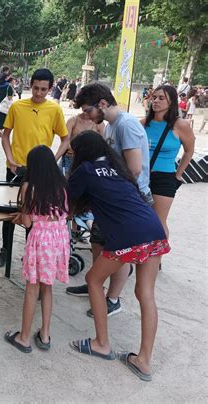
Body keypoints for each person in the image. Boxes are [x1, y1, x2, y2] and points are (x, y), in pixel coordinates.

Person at [68, 131, 170, 382]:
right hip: (153, 227)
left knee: (93, 279)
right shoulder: (118, 167)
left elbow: (65, 202)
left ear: (83, 153)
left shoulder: (86, 170)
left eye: (74, 152)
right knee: (145, 293)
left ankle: (101, 343)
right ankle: (144, 360)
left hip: (128, 235)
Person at [66, 82, 153, 318]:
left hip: (128, 200)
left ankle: (112, 299)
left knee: (120, 249)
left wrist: (100, 183)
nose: (86, 115)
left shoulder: (126, 125)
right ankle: (97, 283)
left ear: (102, 104)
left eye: (88, 110)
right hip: (110, 199)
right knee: (98, 241)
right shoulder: (111, 126)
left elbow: (133, 170)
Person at [0, 68, 69, 268]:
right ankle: (5, 250)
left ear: (50, 88)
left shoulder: (54, 110)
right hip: (16, 167)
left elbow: (65, 139)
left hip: (40, 171)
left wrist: (53, 160)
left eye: (43, 89)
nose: (38, 93)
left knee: (35, 213)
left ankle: (30, 251)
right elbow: (5, 135)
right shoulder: (17, 106)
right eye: (35, 88)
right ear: (30, 85)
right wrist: (10, 158)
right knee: (9, 210)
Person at [4, 145, 69, 353]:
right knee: (47, 287)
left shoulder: (29, 187)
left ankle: (23, 337)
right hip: (58, 238)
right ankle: (45, 333)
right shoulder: (62, 184)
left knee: (32, 289)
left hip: (40, 239)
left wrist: (19, 218)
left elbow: (28, 221)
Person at [143, 85, 195, 240]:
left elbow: (189, 150)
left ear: (171, 102)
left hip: (165, 177)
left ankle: (156, 259)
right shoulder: (142, 123)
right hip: (141, 176)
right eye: (154, 97)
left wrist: (178, 175)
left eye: (161, 98)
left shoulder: (181, 125)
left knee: (158, 221)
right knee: (139, 220)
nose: (156, 101)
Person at [60, 111, 105, 177]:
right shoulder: (73, 121)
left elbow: (103, 144)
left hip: (90, 161)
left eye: (89, 109)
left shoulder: (99, 123)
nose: (86, 112)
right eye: (85, 109)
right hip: (71, 160)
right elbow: (65, 142)